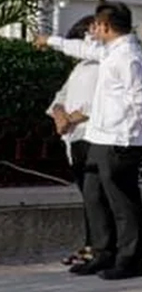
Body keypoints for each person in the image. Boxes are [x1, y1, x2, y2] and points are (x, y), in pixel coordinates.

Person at [39, 1, 142, 280]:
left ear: (105, 26)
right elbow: (83, 48)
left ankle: (130, 260)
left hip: (121, 138)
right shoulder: (111, 52)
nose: (93, 32)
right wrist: (51, 41)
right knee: (97, 195)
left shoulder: (128, 56)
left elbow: (140, 97)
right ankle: (102, 253)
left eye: (96, 26)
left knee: (123, 202)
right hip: (102, 137)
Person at [47, 16, 101, 268]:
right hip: (73, 137)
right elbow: (62, 95)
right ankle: (91, 244)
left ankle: (99, 247)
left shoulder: (105, 64)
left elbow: (102, 101)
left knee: (96, 195)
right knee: (88, 195)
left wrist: (72, 118)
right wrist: (59, 114)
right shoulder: (80, 67)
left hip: (92, 135)